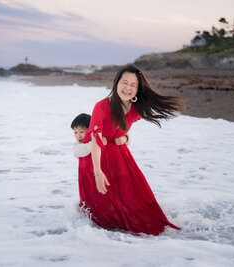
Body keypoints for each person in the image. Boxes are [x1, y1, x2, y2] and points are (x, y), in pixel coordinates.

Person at [78, 64, 183, 236]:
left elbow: (121, 128)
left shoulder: (137, 109)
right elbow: (96, 139)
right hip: (94, 154)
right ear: (116, 83)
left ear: (137, 89)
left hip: (117, 151)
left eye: (133, 85)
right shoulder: (102, 106)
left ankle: (129, 234)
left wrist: (125, 138)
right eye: (124, 82)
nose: (127, 88)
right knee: (102, 206)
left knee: (131, 197)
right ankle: (102, 237)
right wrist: (97, 172)